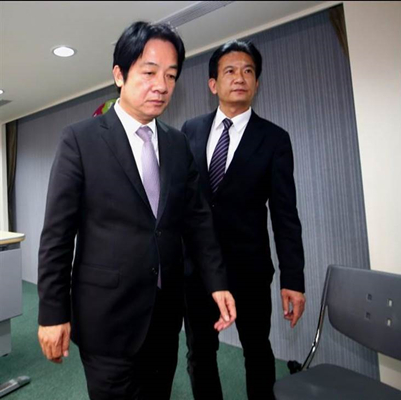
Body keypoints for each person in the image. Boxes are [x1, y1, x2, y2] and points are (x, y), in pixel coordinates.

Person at [37, 21, 236, 400]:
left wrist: (217, 281)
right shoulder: (80, 140)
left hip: (164, 315)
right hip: (106, 317)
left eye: (171, 75)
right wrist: (51, 313)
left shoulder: (178, 144)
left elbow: (197, 221)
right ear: (119, 75)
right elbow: (57, 236)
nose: (161, 85)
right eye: (149, 72)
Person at [182, 40, 306, 400]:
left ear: (256, 83)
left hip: (249, 269)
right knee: (200, 352)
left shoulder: (274, 139)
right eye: (230, 71)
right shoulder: (190, 130)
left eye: (248, 71)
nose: (240, 77)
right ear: (213, 84)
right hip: (198, 271)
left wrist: (293, 279)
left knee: (257, 351)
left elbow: (285, 214)